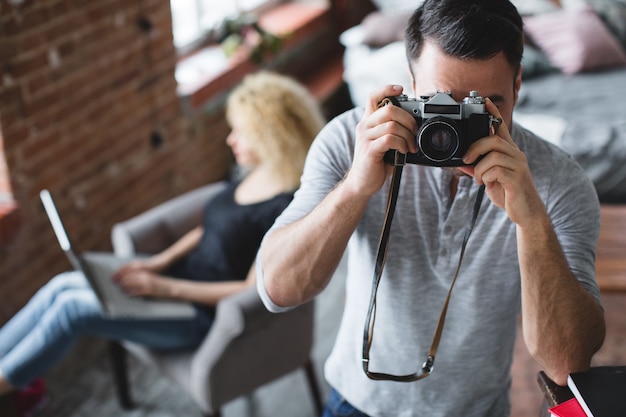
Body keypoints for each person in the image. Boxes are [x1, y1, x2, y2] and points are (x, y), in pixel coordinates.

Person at [256, 1, 606, 416]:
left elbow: (566, 365)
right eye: (440, 101)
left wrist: (530, 220)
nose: (455, 130)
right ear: (409, 82)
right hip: (357, 400)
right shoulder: (350, 142)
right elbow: (278, 291)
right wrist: (355, 187)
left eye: (484, 108)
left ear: (517, 85)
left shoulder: (558, 182)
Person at [0, 71, 325, 401]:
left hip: (200, 315)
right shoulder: (255, 173)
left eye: (241, 132)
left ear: (271, 136)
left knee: (72, 309)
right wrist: (156, 264)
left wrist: (162, 287)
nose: (230, 139)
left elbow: (249, 289)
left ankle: (5, 382)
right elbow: (210, 228)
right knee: (61, 286)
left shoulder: (286, 208)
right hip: (174, 281)